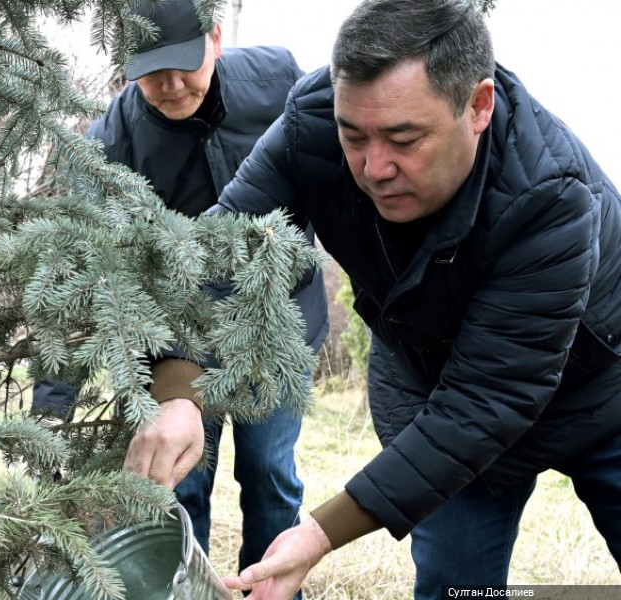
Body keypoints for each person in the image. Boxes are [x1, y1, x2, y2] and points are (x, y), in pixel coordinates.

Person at [126, 0, 621, 598]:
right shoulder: (311, 125)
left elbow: (489, 397)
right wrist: (180, 392)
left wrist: (320, 533)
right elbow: (217, 252)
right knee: (453, 586)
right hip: (428, 386)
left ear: (478, 106)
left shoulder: (550, 197)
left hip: (599, 393)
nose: (373, 167)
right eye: (353, 135)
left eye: (404, 139)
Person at [33, 0, 330, 576]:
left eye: (185, 65)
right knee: (181, 482)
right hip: (181, 348)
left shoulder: (280, 82)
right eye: (150, 71)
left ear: (215, 39)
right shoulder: (109, 147)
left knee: (270, 475)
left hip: (277, 322)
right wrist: (52, 413)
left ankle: (268, 589)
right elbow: (72, 273)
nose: (170, 85)